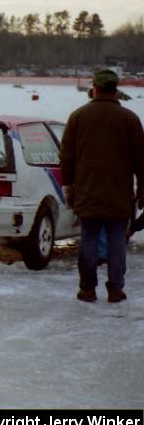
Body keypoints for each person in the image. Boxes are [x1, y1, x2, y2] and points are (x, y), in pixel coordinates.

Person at [60, 68, 144, 303]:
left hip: (86, 192)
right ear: (115, 91)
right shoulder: (130, 119)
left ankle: (87, 288)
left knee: (89, 238)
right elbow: (141, 160)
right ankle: (115, 289)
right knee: (117, 241)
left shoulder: (78, 117)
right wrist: (142, 190)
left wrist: (68, 186)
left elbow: (66, 156)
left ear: (94, 88)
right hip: (119, 194)